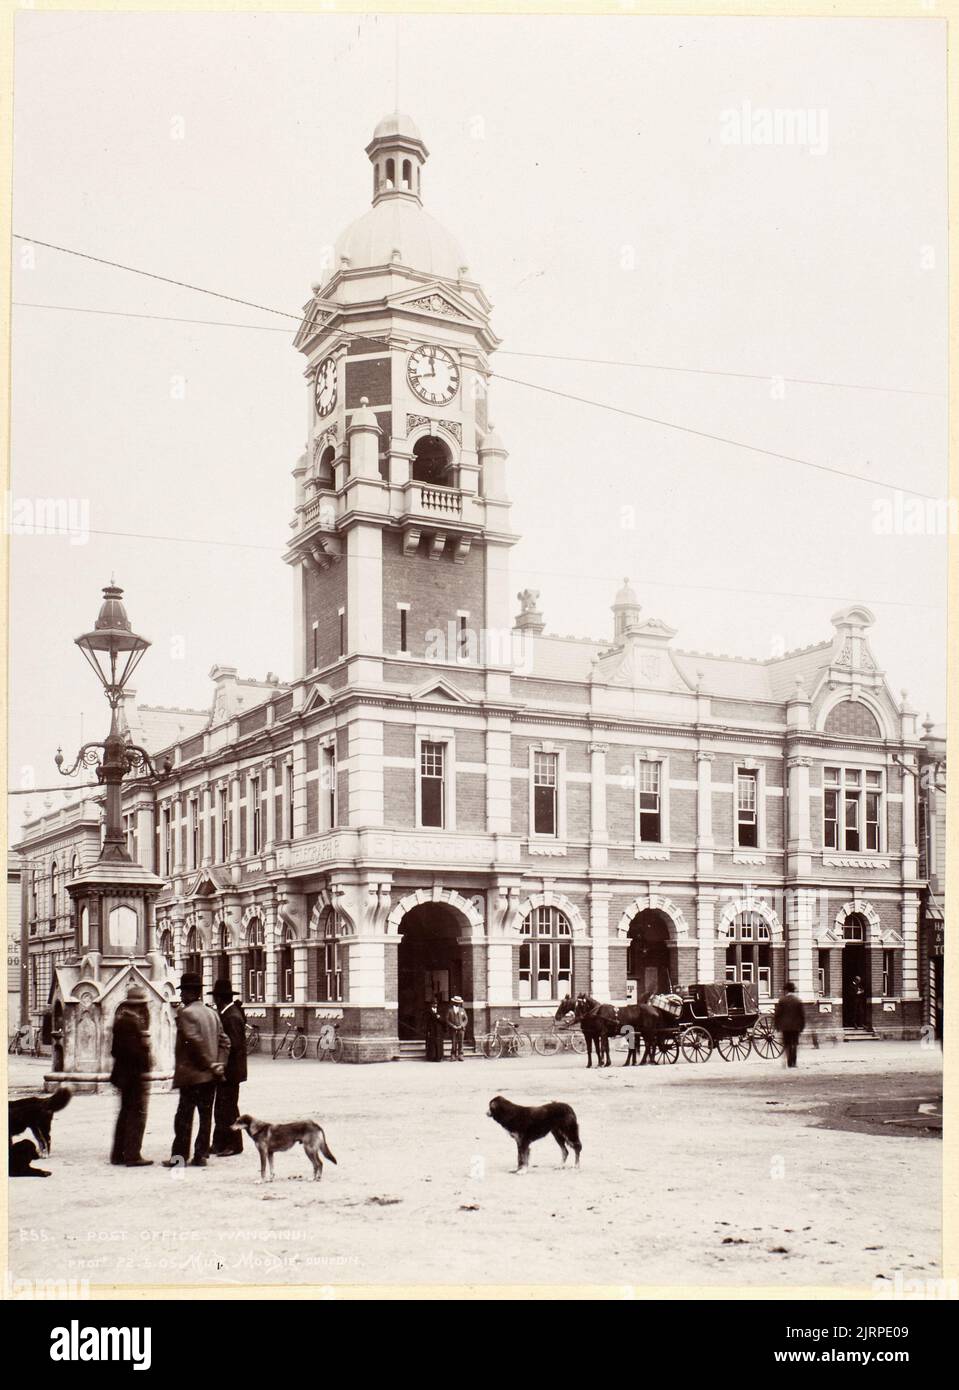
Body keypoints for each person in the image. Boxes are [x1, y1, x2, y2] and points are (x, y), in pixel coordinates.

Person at [162, 972, 229, 1169]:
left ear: (192, 993)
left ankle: (179, 1158)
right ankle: (200, 1155)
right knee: (205, 1117)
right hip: (211, 1077)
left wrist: (209, 1063)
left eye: (183, 992)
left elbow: (194, 1041)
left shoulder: (186, 1013)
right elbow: (225, 1042)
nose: (181, 996)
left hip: (192, 1076)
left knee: (183, 1117)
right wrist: (219, 1064)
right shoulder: (212, 1013)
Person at [109, 985, 153, 1167]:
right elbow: (132, 1052)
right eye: (143, 1005)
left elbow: (115, 1050)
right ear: (138, 1006)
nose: (145, 1008)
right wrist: (145, 1050)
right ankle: (132, 1154)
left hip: (124, 1075)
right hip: (133, 1076)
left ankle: (118, 1153)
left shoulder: (121, 1020)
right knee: (136, 1115)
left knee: (125, 1113)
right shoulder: (131, 1023)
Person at [210, 980, 247, 1157]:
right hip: (229, 1070)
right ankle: (219, 1143)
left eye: (216, 997)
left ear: (219, 998)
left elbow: (234, 1046)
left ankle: (234, 1144)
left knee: (228, 1108)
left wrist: (222, 1066)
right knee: (222, 1107)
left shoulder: (231, 1016)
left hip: (231, 1071)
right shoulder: (229, 1013)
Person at [773, 981, 806, 1069]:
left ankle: (788, 1062)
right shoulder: (798, 1001)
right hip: (796, 1027)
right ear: (793, 990)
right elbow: (802, 1015)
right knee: (794, 1044)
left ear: (786, 990)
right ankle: (793, 1063)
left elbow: (777, 1014)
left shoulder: (782, 1000)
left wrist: (777, 1026)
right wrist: (802, 1027)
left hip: (785, 1027)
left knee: (787, 1044)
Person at [447, 995, 468, 1062]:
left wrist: (462, 1025)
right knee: (454, 1042)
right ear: (454, 1002)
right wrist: (452, 1026)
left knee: (461, 1042)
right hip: (453, 1029)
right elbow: (447, 1020)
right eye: (456, 1002)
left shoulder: (462, 1010)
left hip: (461, 1029)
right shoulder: (450, 1010)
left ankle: (460, 1055)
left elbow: (466, 1019)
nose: (458, 1003)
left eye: (459, 1002)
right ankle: (453, 1055)